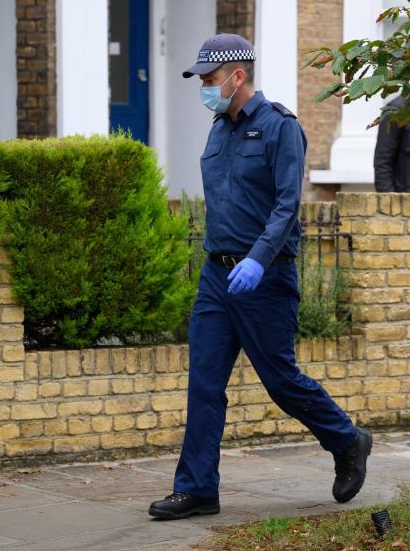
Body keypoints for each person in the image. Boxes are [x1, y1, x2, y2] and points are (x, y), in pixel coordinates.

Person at [149, 34, 372, 520]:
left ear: (237, 76)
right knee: (204, 383)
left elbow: (288, 204)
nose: (204, 88)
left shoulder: (279, 128)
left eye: (209, 80)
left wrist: (258, 258)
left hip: (264, 278)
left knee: (281, 381)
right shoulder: (218, 129)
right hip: (216, 277)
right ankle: (198, 489)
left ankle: (347, 438)